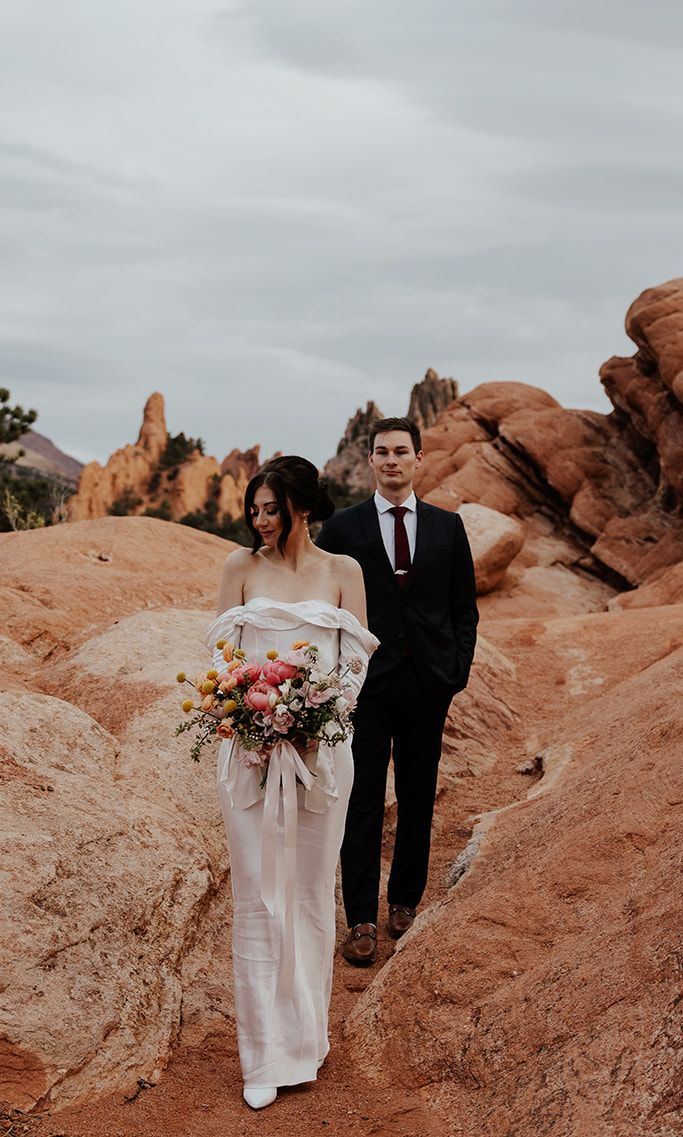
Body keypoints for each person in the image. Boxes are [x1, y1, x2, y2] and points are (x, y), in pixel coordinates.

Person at [209, 455, 378, 1110]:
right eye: (253, 509)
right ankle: (261, 1054)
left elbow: (356, 661)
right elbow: (222, 659)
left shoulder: (344, 572)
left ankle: (303, 1043)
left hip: (324, 756)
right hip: (251, 757)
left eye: (271, 508)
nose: (260, 520)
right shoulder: (240, 569)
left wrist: (319, 718)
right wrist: (251, 712)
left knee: (307, 892)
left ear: (302, 508)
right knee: (256, 894)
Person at [315, 416, 478, 966]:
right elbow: (326, 611)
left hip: (427, 682)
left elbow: (463, 610)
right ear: (369, 461)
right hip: (364, 685)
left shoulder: (447, 528)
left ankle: (404, 901)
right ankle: (360, 917)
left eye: (401, 451)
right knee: (360, 801)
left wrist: (453, 673)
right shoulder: (342, 529)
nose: (391, 460)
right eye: (381, 451)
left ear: (419, 458)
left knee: (416, 796)